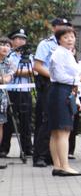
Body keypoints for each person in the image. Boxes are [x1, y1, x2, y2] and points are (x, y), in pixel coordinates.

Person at [47, 25, 81, 176]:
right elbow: (59, 76)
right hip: (60, 91)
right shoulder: (60, 53)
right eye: (65, 37)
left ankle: (58, 166)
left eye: (72, 36)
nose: (70, 39)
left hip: (62, 91)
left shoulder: (66, 53)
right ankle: (64, 166)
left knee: (56, 132)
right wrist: (79, 78)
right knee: (63, 131)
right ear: (59, 40)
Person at [32, 17, 73, 168]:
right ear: (54, 28)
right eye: (61, 26)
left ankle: (54, 158)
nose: (68, 35)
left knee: (57, 125)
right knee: (46, 121)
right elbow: (37, 66)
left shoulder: (67, 48)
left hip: (63, 85)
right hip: (49, 85)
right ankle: (40, 155)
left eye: (68, 28)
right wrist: (56, 77)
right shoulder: (46, 44)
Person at [0, 29, 34, 159]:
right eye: (18, 38)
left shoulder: (29, 56)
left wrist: (18, 71)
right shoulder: (9, 55)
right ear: (12, 41)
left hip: (25, 91)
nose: (21, 41)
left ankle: (27, 148)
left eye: (23, 39)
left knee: (26, 121)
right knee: (8, 121)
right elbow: (12, 71)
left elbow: (34, 72)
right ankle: (4, 149)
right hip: (10, 92)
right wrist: (21, 71)